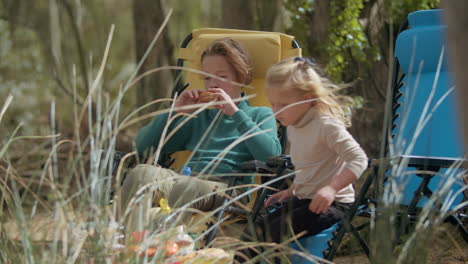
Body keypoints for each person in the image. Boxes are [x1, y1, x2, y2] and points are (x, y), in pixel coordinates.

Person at [120, 38, 281, 228]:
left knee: (185, 187)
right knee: (140, 173)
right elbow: (142, 146)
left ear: (242, 76)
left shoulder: (259, 114)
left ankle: (167, 249)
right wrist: (175, 113)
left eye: (221, 77)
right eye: (206, 78)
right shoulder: (199, 114)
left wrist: (235, 114)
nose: (212, 84)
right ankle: (130, 245)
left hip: (228, 188)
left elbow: (272, 156)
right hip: (186, 178)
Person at [237, 57, 368, 262]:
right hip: (304, 199)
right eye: (272, 103)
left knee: (273, 235)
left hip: (333, 204)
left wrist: (332, 188)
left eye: (283, 104)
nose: (275, 111)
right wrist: (291, 191)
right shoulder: (294, 124)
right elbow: (310, 166)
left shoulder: (325, 125)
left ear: (307, 99)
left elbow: (359, 159)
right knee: (253, 232)